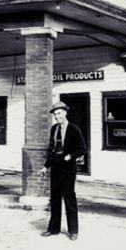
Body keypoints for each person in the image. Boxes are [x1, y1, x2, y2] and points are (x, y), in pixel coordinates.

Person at [40, 101, 86, 241]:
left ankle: (73, 231)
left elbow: (82, 148)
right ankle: (53, 229)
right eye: (55, 114)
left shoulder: (74, 129)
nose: (57, 116)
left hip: (68, 169)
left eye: (59, 113)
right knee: (54, 199)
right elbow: (52, 150)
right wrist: (46, 166)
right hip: (55, 168)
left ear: (65, 113)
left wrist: (70, 156)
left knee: (69, 198)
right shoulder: (54, 129)